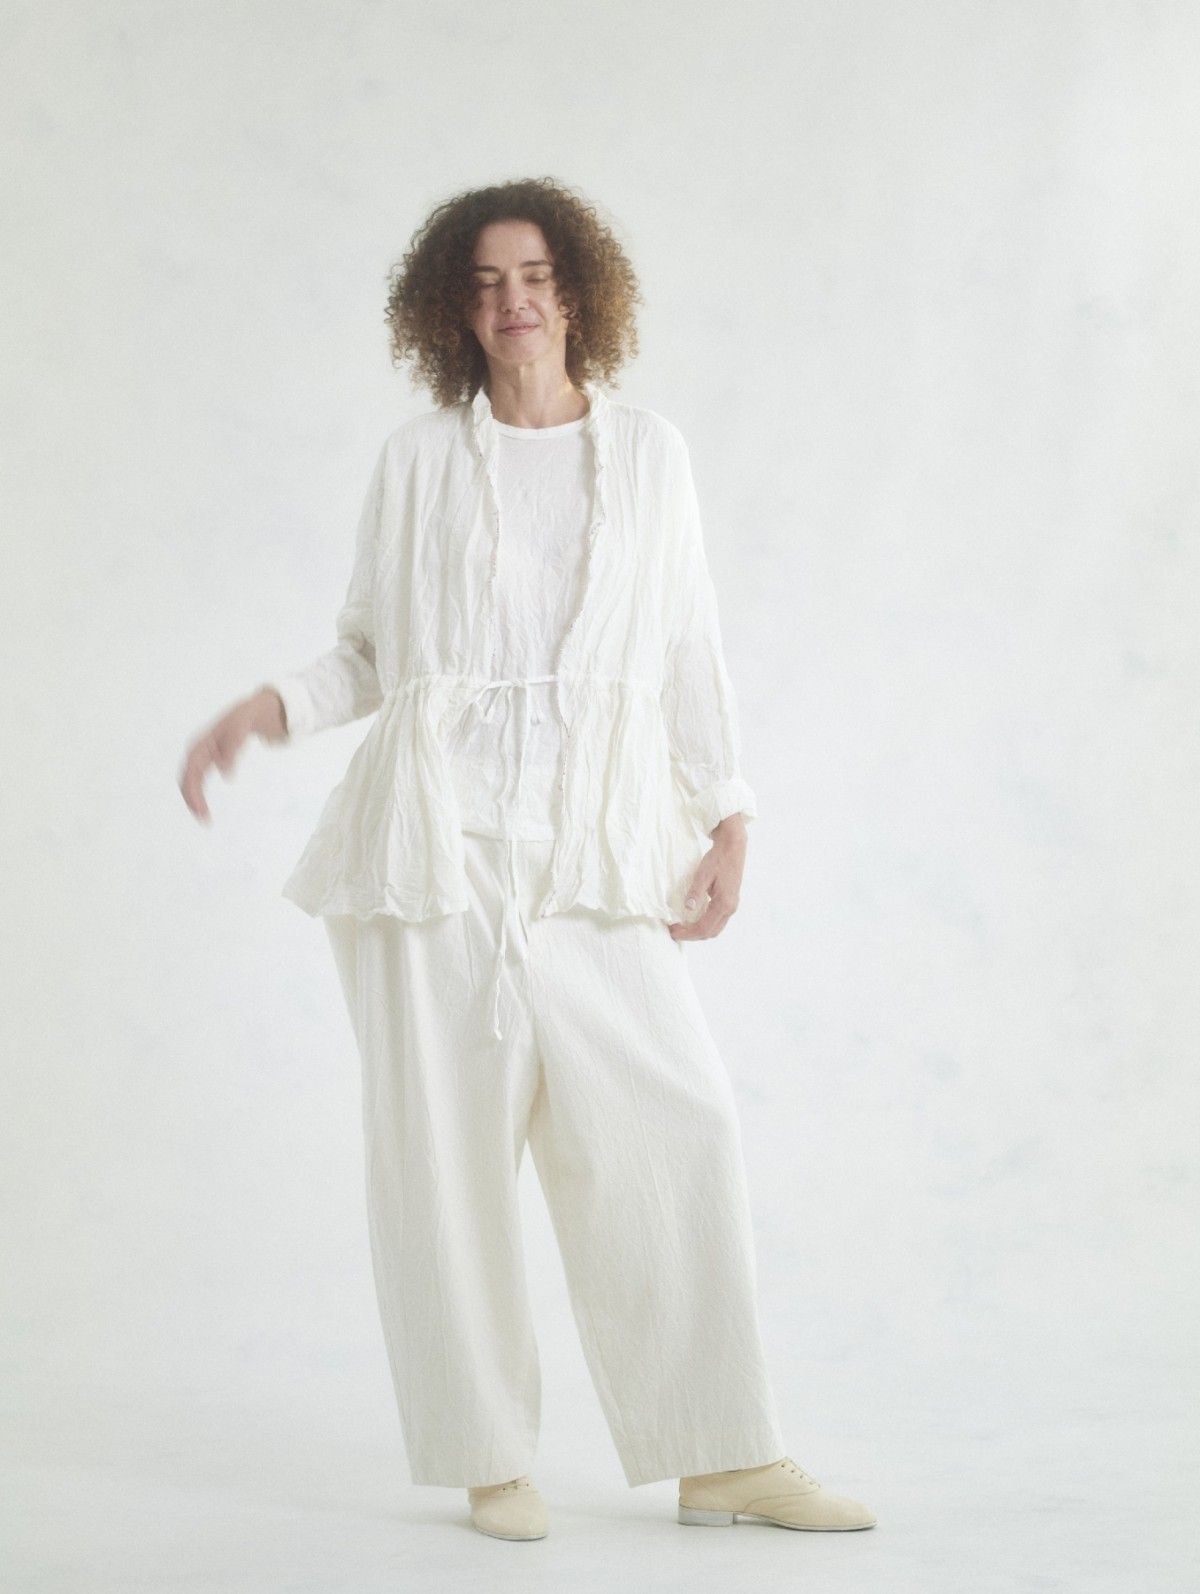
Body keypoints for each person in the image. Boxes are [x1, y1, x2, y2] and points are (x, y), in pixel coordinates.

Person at [179, 177, 876, 1543]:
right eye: (489, 280)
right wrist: (267, 709)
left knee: (676, 1127)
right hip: (432, 847)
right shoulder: (417, 461)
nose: (515, 300)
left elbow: (686, 647)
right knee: (444, 1160)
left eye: (538, 275)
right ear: (455, 306)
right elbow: (370, 650)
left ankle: (724, 1453)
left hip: (598, 846)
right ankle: (489, 1453)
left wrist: (728, 813)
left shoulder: (653, 455)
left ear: (579, 292)